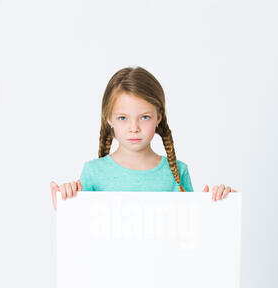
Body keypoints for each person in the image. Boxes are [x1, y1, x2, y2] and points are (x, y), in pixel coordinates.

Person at [50, 66, 237, 210]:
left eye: (144, 117)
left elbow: (191, 234)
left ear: (158, 117)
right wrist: (66, 203)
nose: (134, 128)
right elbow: (81, 235)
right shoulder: (93, 173)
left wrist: (220, 204)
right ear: (109, 119)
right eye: (123, 118)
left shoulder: (178, 173)